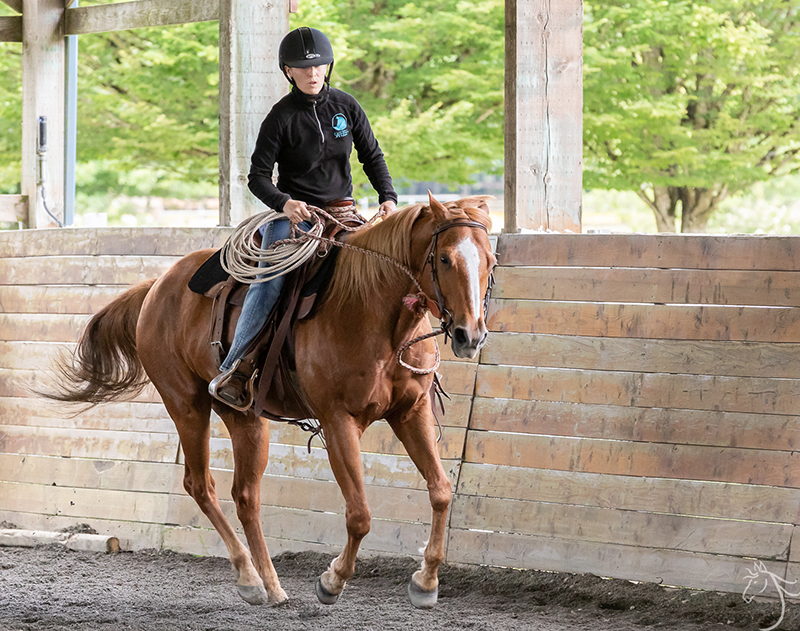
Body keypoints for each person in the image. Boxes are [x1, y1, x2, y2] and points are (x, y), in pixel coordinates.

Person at [208, 26, 398, 411]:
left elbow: (372, 156)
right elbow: (257, 177)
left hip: (344, 213)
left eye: (320, 66)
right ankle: (235, 369)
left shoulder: (346, 106)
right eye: (303, 68)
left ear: (328, 67)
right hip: (298, 216)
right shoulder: (280, 117)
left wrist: (388, 198)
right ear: (288, 71)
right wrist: (285, 203)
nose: (313, 74)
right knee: (269, 283)